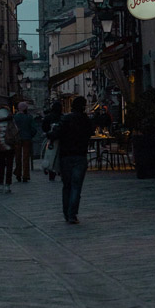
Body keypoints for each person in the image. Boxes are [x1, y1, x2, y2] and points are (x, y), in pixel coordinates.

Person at [49, 96, 93, 224]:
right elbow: (90, 132)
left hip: (66, 156)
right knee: (76, 186)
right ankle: (72, 214)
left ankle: (66, 212)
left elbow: (56, 133)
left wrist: (49, 135)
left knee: (67, 186)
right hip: (80, 155)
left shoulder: (66, 119)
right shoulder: (86, 120)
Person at [0, 107, 18, 193]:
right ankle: (8, 185)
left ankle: (0, 184)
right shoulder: (11, 121)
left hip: (0, 147)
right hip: (10, 146)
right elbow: (16, 131)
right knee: (9, 166)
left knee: (1, 165)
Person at [13, 101, 37, 182]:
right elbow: (34, 129)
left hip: (17, 139)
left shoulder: (15, 117)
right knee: (26, 157)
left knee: (18, 157)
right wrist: (31, 135)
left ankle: (18, 173)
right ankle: (25, 175)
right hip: (27, 138)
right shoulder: (29, 117)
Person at [41, 101, 62, 181]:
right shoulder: (62, 117)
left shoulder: (48, 117)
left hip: (51, 139)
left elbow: (44, 127)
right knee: (60, 156)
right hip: (61, 140)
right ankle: (60, 171)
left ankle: (51, 172)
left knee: (50, 155)